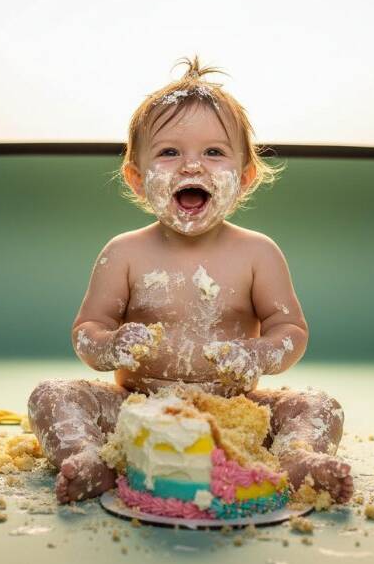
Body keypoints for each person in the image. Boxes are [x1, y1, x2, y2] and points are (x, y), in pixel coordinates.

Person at [29, 57, 353, 505]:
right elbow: (87, 331)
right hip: (136, 412)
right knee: (52, 395)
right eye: (169, 152)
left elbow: (290, 332)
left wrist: (257, 353)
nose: (192, 167)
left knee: (319, 405)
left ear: (244, 179)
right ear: (138, 180)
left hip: (238, 414)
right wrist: (110, 346)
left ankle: (296, 456)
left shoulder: (259, 253)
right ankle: (92, 457)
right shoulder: (123, 253)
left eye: (214, 152)